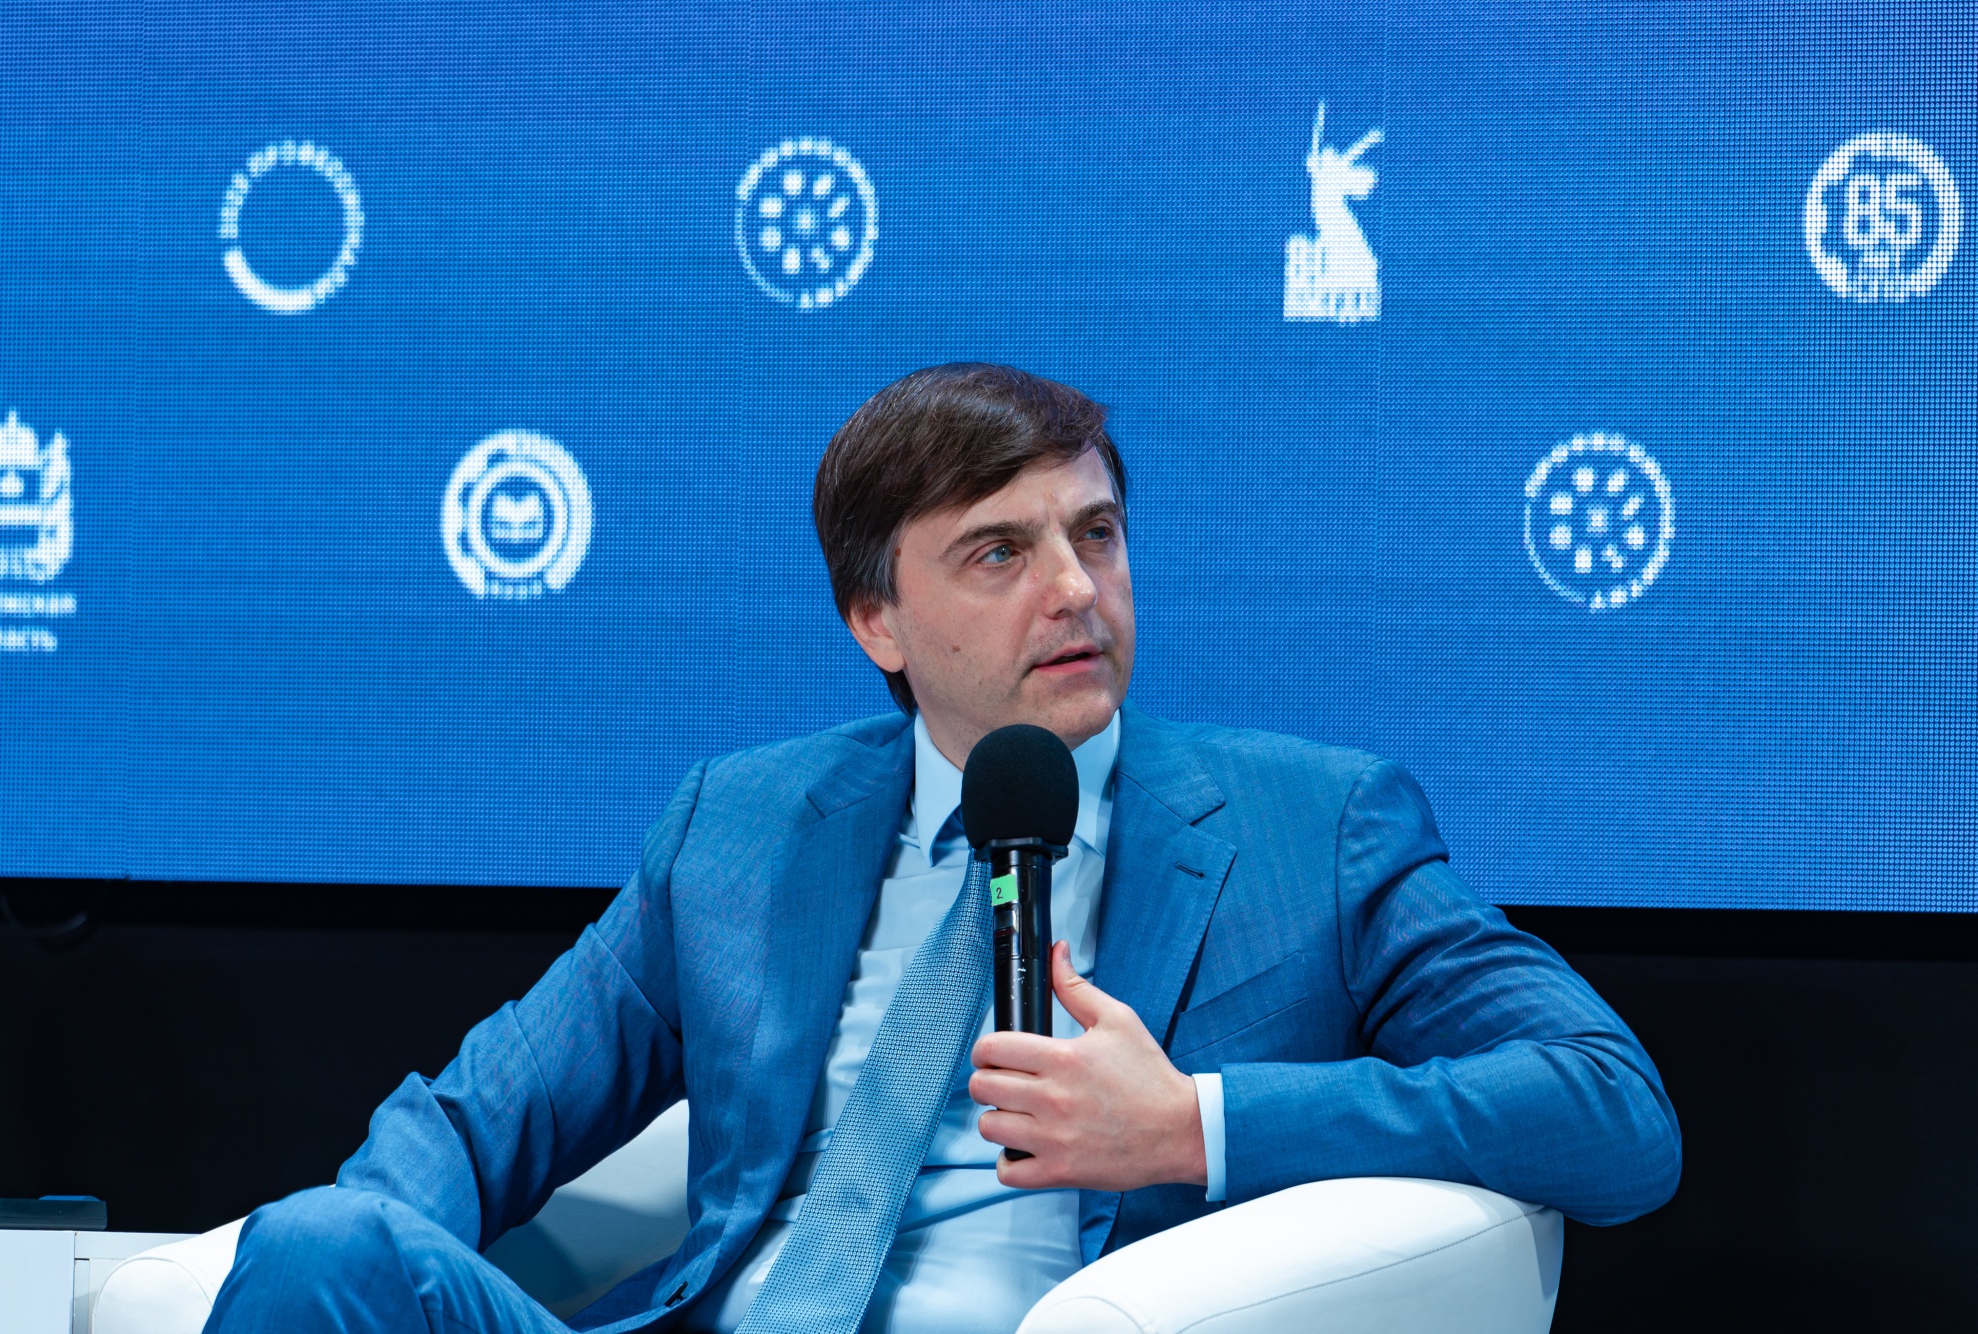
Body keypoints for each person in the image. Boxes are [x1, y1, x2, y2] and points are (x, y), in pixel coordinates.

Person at [206, 364, 1680, 1334]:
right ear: (879, 620)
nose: (1074, 589)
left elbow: (1613, 1111)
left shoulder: (1317, 824)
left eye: (1096, 534)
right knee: (325, 1247)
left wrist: (1195, 1124)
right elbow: (476, 1122)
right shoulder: (738, 824)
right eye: (1000, 551)